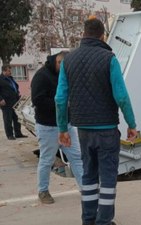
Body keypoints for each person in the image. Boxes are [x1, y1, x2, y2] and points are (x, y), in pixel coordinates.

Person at [55, 17, 137, 225]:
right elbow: (122, 97)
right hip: (107, 130)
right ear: (102, 35)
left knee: (89, 176)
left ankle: (88, 219)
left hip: (83, 130)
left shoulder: (67, 61)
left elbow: (60, 98)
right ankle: (104, 221)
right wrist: (132, 124)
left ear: (83, 33)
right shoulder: (109, 59)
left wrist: (63, 128)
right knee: (108, 178)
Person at [31, 51, 83, 204]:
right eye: (63, 65)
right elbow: (38, 101)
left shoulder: (67, 75)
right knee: (47, 160)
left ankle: (85, 188)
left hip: (66, 126)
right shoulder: (42, 76)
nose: (65, 68)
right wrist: (61, 105)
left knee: (77, 158)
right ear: (57, 61)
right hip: (48, 127)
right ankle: (43, 191)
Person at [0, 65, 27, 140]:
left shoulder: (10, 78)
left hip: (15, 101)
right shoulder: (1, 79)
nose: (10, 72)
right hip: (6, 102)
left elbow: (14, 87)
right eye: (9, 70)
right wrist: (0, 99)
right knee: (8, 119)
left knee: (16, 118)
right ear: (4, 71)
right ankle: (10, 135)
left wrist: (17, 93)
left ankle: (18, 133)